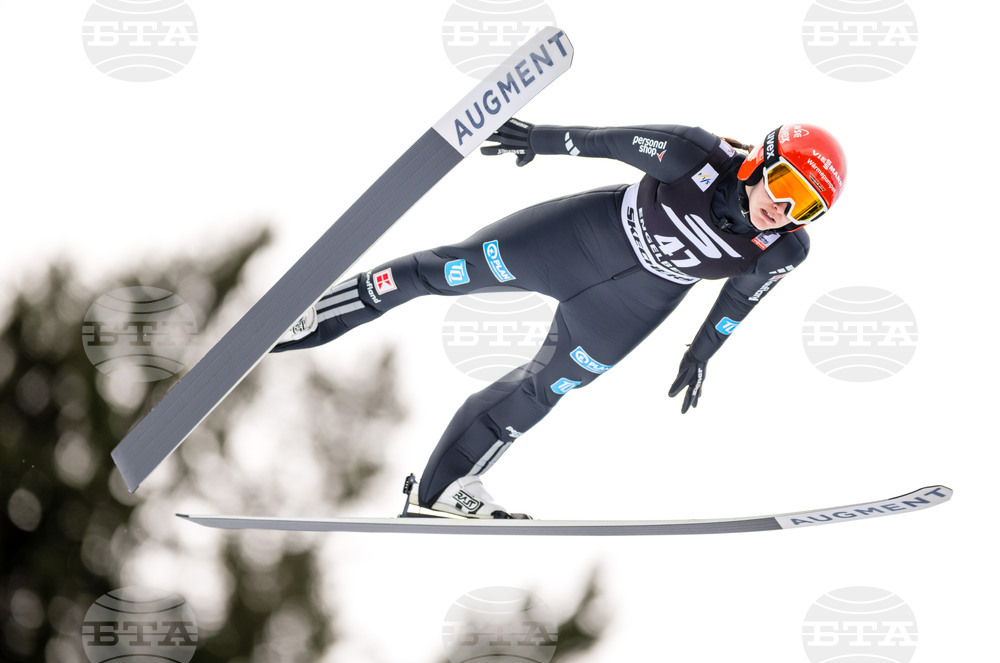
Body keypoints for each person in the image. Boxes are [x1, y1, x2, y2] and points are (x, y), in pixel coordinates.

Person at [272, 119, 847, 519]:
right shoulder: (693, 152)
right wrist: (536, 139)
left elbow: (738, 301)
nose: (784, 207)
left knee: (546, 389)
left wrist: (701, 353)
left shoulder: (784, 248)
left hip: (628, 308)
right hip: (575, 239)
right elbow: (605, 142)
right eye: (785, 184)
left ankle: (444, 491)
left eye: (806, 206)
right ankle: (310, 316)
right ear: (760, 161)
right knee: (440, 272)